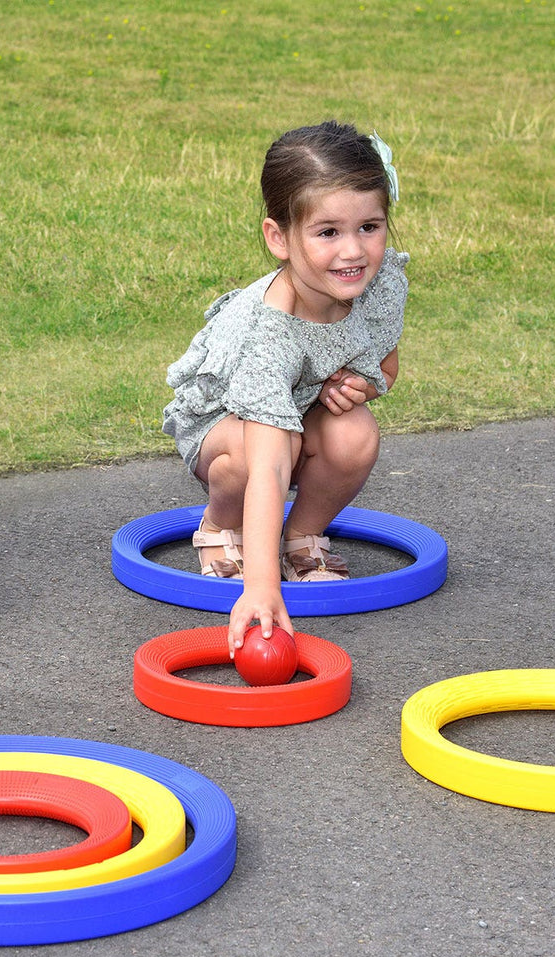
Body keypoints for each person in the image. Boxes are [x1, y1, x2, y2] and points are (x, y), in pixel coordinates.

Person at [161, 121, 407, 653]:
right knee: (270, 450)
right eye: (328, 232)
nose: (354, 251)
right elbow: (271, 461)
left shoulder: (382, 283)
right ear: (280, 238)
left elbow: (385, 368)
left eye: (370, 226)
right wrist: (261, 589)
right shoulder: (269, 330)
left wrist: (359, 386)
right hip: (220, 426)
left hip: (299, 409)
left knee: (356, 432)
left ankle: (301, 536)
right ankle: (222, 527)